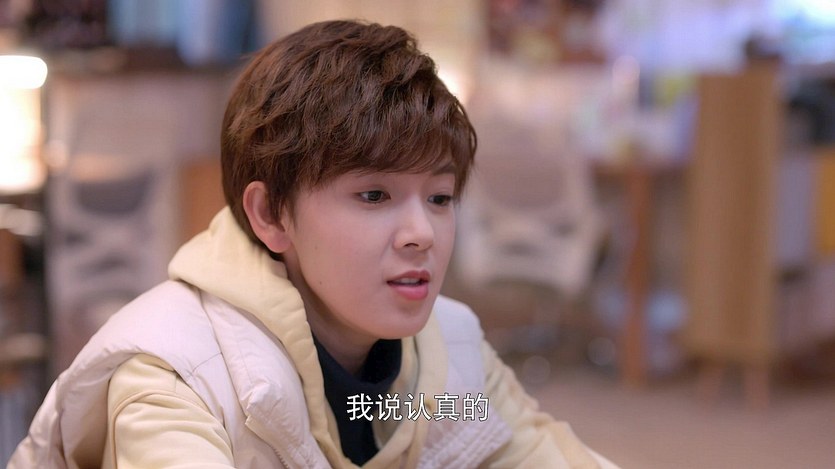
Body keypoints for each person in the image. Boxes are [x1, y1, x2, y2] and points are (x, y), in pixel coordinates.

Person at [10, 20, 617, 468]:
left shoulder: (448, 355)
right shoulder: (175, 381)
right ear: (271, 214)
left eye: (439, 197)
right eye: (374, 195)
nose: (422, 234)